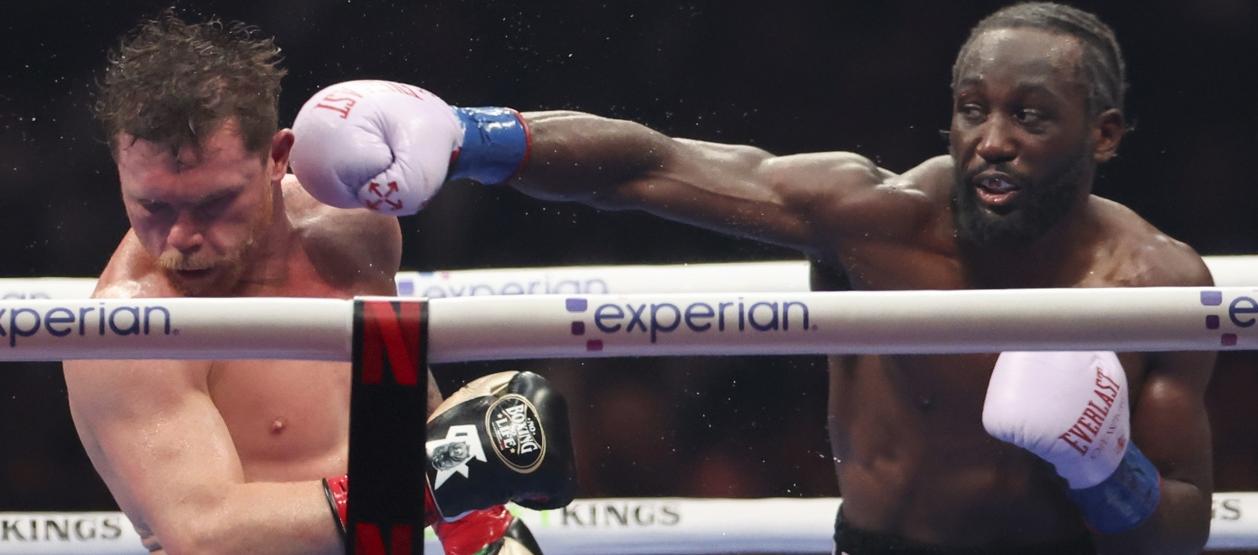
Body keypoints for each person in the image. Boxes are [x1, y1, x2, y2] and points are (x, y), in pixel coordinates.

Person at [293, 3, 1214, 553]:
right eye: (972, 110)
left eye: (1031, 116)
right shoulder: (881, 222)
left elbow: (1180, 528)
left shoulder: (1155, 281)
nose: (993, 140)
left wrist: (1106, 466)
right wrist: (471, 135)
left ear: (1103, 134)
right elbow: (648, 166)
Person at [62, 13, 574, 555]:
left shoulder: (352, 227)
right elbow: (207, 535)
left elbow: (394, 397)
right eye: (152, 205)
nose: (181, 237)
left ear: (278, 158)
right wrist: (440, 477)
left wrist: (474, 524)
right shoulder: (129, 331)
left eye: (214, 202)